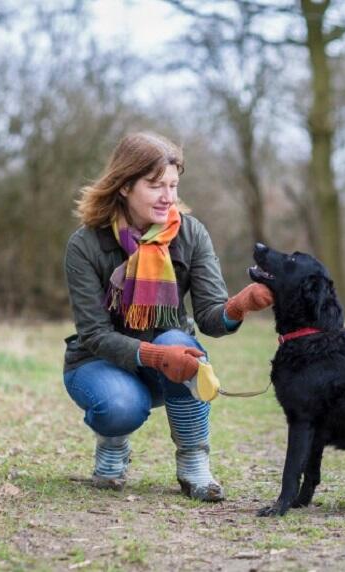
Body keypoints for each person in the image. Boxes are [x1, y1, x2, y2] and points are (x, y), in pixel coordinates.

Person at [63, 132, 273, 502]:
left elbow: (209, 317)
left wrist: (238, 305)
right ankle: (113, 443)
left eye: (173, 185)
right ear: (125, 186)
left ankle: (194, 463)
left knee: (181, 345)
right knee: (122, 405)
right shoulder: (86, 244)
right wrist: (158, 356)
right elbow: (94, 334)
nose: (168, 197)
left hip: (170, 363)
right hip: (97, 362)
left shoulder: (191, 235)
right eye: (155, 185)